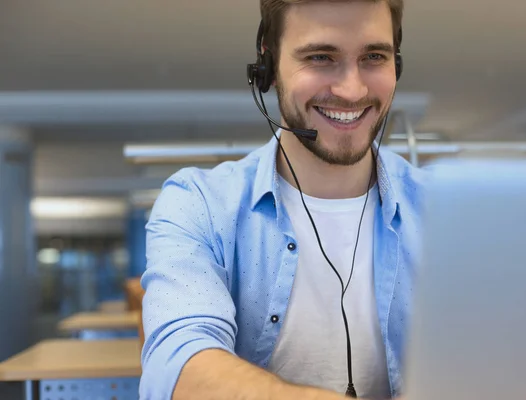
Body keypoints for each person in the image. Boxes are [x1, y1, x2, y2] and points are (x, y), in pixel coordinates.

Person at [139, 0, 426, 399]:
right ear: (268, 67)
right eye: (321, 57)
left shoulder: (444, 211)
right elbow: (178, 367)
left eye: (373, 56)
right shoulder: (199, 204)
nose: (352, 89)